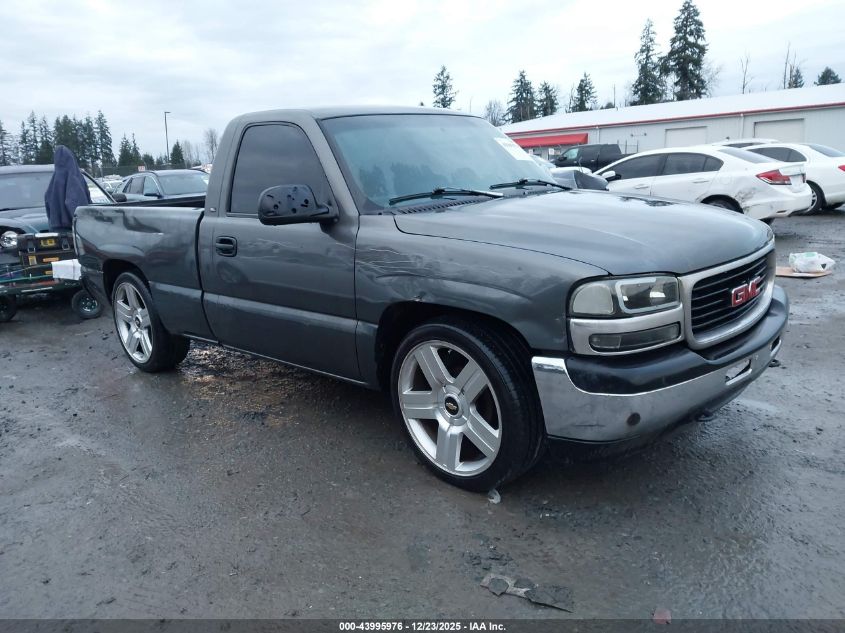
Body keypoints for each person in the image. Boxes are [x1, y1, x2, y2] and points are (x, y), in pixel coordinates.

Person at [44, 145, 91, 231]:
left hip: (55, 228)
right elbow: (74, 202)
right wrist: (85, 222)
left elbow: (47, 201)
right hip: (72, 229)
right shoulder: (74, 177)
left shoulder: (54, 180)